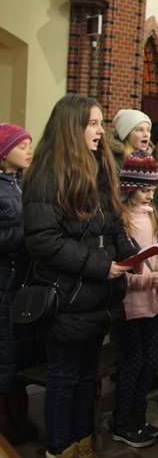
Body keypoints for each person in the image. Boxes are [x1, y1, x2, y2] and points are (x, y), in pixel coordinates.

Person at [22, 94, 139, 458]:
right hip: (67, 294)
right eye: (92, 124)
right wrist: (100, 265)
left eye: (101, 124)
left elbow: (114, 222)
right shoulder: (47, 173)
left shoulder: (99, 167)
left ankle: (82, 442)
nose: (100, 132)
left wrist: (134, 254)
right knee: (64, 379)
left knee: (87, 377)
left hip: (97, 296)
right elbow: (43, 239)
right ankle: (59, 448)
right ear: (71, 127)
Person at [112, 151, 158, 448]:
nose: (150, 195)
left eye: (152, 189)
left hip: (151, 302)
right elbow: (119, 271)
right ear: (128, 188)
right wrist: (148, 278)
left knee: (150, 362)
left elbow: (154, 253)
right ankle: (122, 421)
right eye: (144, 190)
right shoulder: (120, 220)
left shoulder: (150, 214)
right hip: (128, 305)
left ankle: (138, 417)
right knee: (133, 363)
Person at [0, 123, 38, 446]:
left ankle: (19, 414)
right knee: (5, 355)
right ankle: (5, 422)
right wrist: (31, 226)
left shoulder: (20, 183)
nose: (29, 150)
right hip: (4, 282)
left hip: (22, 281)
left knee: (18, 355)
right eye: (22, 145)